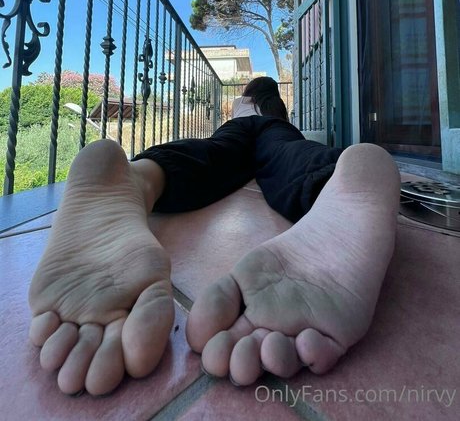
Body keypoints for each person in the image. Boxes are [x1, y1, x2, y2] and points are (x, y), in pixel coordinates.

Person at [28, 77, 401, 396]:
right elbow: (279, 137)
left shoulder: (240, 107)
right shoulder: (277, 115)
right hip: (277, 132)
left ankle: (139, 177)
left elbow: (222, 141)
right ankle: (336, 180)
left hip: (235, 133)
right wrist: (278, 119)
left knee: (210, 155)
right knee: (289, 155)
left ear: (247, 95)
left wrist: (239, 113)